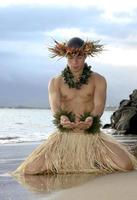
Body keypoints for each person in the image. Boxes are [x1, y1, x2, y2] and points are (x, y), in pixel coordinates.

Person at [12, 37, 137, 175]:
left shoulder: (98, 80)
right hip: (65, 135)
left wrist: (91, 119)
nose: (75, 62)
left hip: (91, 135)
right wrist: (62, 117)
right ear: (65, 57)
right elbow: (55, 108)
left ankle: (93, 158)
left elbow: (99, 106)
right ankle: (65, 160)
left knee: (126, 165)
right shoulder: (56, 82)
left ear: (85, 55)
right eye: (71, 58)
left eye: (79, 57)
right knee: (30, 170)